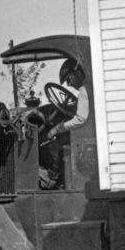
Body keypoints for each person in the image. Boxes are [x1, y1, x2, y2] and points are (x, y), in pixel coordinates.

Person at [38, 59, 89, 189]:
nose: (69, 83)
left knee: (53, 144)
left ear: (77, 73)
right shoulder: (86, 89)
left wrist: (56, 129)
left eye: (69, 78)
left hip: (84, 137)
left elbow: (80, 119)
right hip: (85, 134)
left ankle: (52, 179)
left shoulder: (84, 91)